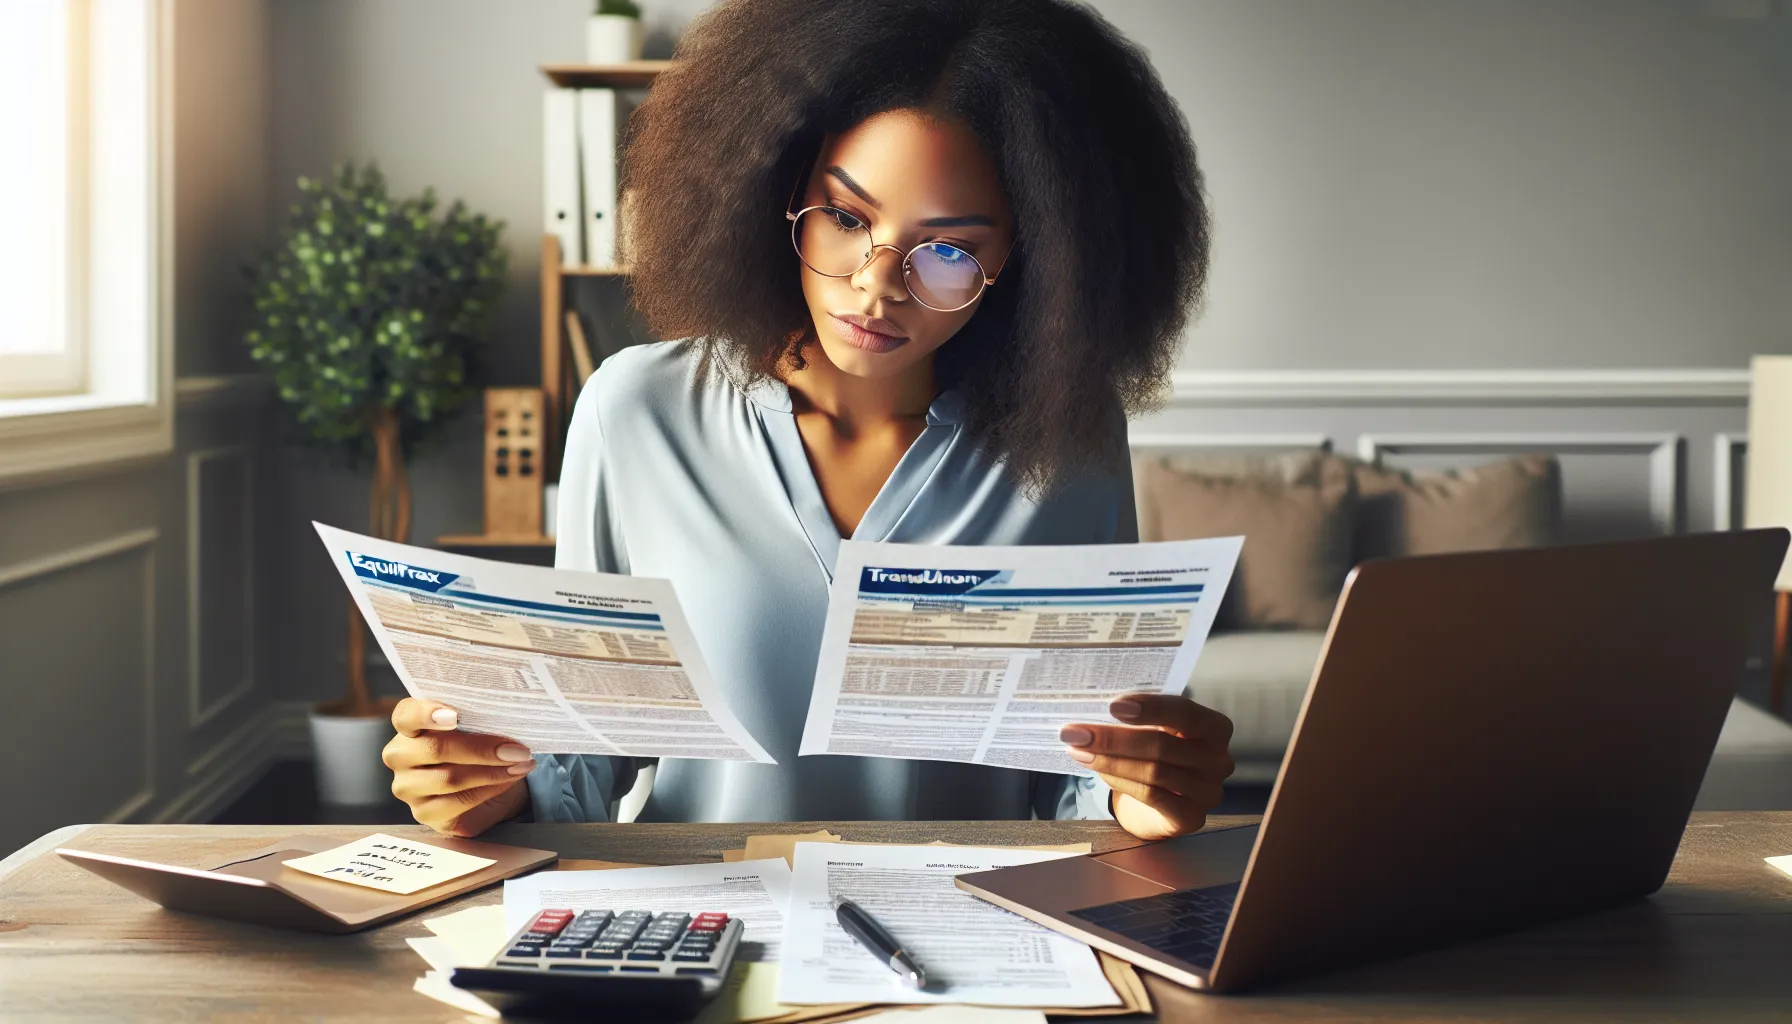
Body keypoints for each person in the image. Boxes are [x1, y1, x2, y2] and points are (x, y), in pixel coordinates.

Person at [383, 0, 1232, 842]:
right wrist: (484, 788)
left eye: (948, 251)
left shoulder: (1067, 448)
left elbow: (1075, 782)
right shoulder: (635, 415)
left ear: (1035, 257)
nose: (877, 284)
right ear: (776, 190)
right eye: (846, 217)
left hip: (975, 952)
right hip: (698, 936)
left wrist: (1142, 793)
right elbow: (580, 772)